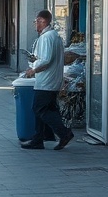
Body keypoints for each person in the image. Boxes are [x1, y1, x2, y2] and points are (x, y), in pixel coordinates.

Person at [21, 9, 74, 151]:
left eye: (36, 21)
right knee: (48, 109)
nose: (35, 24)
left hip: (46, 81)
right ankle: (40, 138)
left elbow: (45, 60)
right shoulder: (54, 36)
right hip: (53, 80)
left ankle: (64, 133)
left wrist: (33, 70)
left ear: (43, 21)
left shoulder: (46, 37)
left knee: (39, 108)